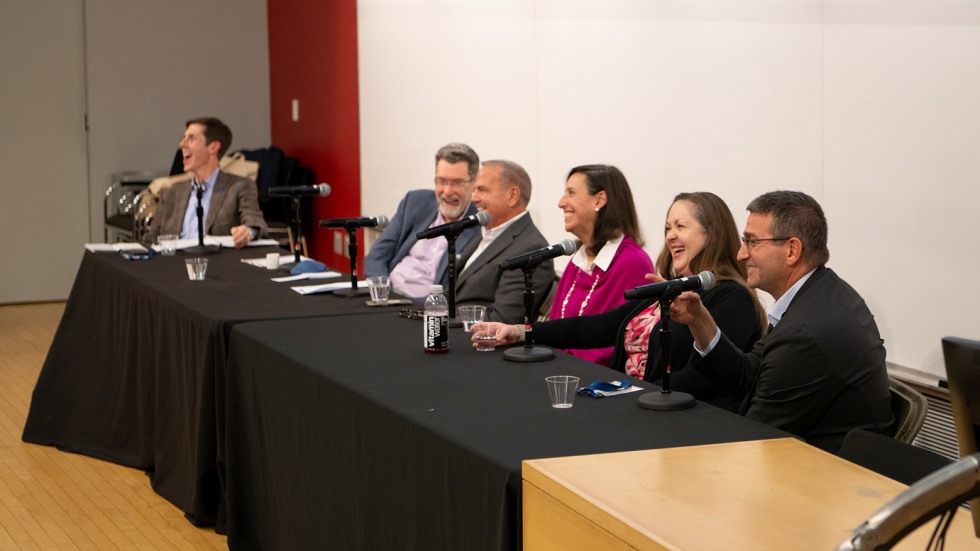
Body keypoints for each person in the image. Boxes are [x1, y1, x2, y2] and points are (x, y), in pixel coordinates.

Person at [474, 192, 765, 412]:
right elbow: (600, 326)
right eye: (667, 228)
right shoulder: (664, 289)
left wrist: (632, 392)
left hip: (679, 422)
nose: (671, 236)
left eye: (681, 226)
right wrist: (523, 332)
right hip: (636, 405)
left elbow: (709, 376)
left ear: (711, 234)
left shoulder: (732, 298)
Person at [670, 190, 893, 453]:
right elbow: (748, 375)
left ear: (792, 250)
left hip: (829, 479)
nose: (741, 254)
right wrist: (700, 322)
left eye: (751, 242)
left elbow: (754, 439)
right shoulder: (820, 292)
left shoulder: (806, 333)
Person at [547, 164, 654, 366]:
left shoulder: (633, 263)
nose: (561, 203)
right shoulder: (577, 261)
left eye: (571, 193)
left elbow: (624, 342)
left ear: (600, 200)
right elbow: (556, 327)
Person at [364, 143, 481, 299]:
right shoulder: (415, 202)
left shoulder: (480, 226)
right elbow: (377, 255)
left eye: (457, 183)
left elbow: (458, 292)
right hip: (387, 295)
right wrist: (383, 294)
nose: (447, 191)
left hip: (425, 309)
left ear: (474, 183)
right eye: (441, 181)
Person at [454, 160, 555, 323]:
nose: (474, 198)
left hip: (476, 341)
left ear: (512, 196)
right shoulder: (486, 231)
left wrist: (444, 320)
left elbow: (503, 319)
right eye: (474, 190)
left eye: (482, 190)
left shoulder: (531, 248)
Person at [145, 117, 268, 248]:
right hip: (174, 264)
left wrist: (247, 232)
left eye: (191, 138)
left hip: (218, 263)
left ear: (213, 147)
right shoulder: (171, 193)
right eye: (183, 138)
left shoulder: (239, 186)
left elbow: (255, 221)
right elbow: (150, 240)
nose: (182, 144)